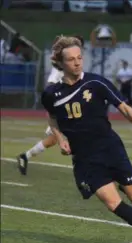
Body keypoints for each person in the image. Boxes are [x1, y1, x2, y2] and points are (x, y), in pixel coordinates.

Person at [40, 35, 132, 243]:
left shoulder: (96, 82)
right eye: (71, 59)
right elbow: (52, 118)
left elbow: (123, 107)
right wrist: (61, 138)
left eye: (79, 58)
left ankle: (125, 184)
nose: (77, 63)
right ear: (60, 63)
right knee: (112, 203)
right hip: (86, 159)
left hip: (110, 148)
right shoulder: (51, 94)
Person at [17, 35, 84, 175]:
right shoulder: (61, 67)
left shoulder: (71, 63)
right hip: (61, 109)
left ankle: (25, 156)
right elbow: (51, 86)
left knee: (54, 140)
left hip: (68, 108)